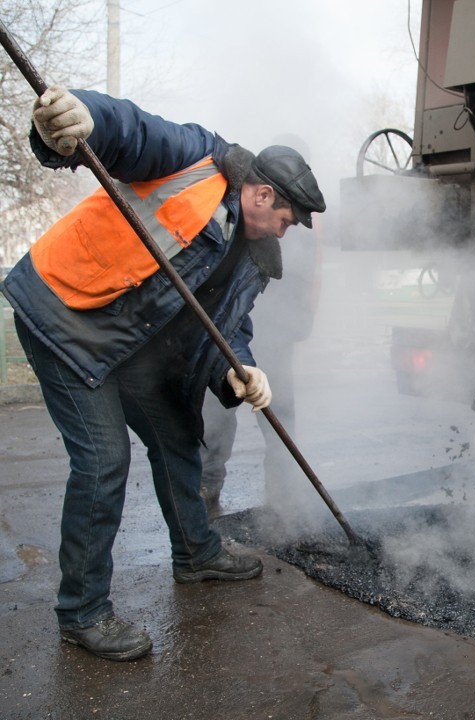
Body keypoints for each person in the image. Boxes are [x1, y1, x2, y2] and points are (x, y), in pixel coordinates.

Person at [0, 87, 325, 662]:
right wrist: (84, 119)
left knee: (179, 438)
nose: (286, 230)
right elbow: (131, 132)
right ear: (263, 193)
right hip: (64, 314)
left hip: (130, 346)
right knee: (103, 462)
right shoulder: (194, 159)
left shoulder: (250, 259)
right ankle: (82, 611)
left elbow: (227, 328)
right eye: (286, 218)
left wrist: (239, 370)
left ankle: (197, 553)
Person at [199, 137, 322, 514]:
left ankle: (283, 500)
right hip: (233, 333)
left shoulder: (298, 231)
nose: (285, 230)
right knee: (218, 415)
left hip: (276, 339)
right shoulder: (249, 222)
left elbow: (312, 279)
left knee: (279, 415)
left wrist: (301, 323)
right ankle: (206, 491)